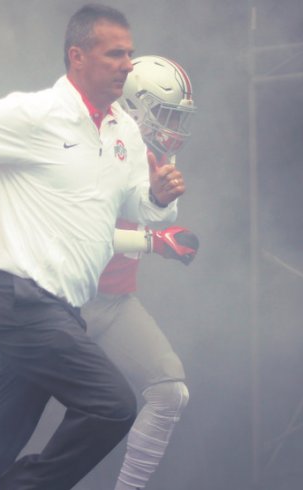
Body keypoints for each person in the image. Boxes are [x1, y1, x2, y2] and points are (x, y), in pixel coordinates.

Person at [0, 4, 185, 489]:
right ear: (76, 57)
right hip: (17, 300)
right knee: (112, 406)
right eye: (115, 53)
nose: (127, 63)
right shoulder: (34, 112)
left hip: (62, 309)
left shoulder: (124, 130)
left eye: (130, 53)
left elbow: (137, 203)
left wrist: (159, 200)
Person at [84, 54, 197, 490]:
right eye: (166, 114)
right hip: (65, 302)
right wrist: (156, 243)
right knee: (25, 416)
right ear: (134, 105)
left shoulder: (150, 158)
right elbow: (85, 235)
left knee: (170, 391)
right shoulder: (95, 147)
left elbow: (157, 216)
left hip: (113, 302)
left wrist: (163, 208)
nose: (174, 127)